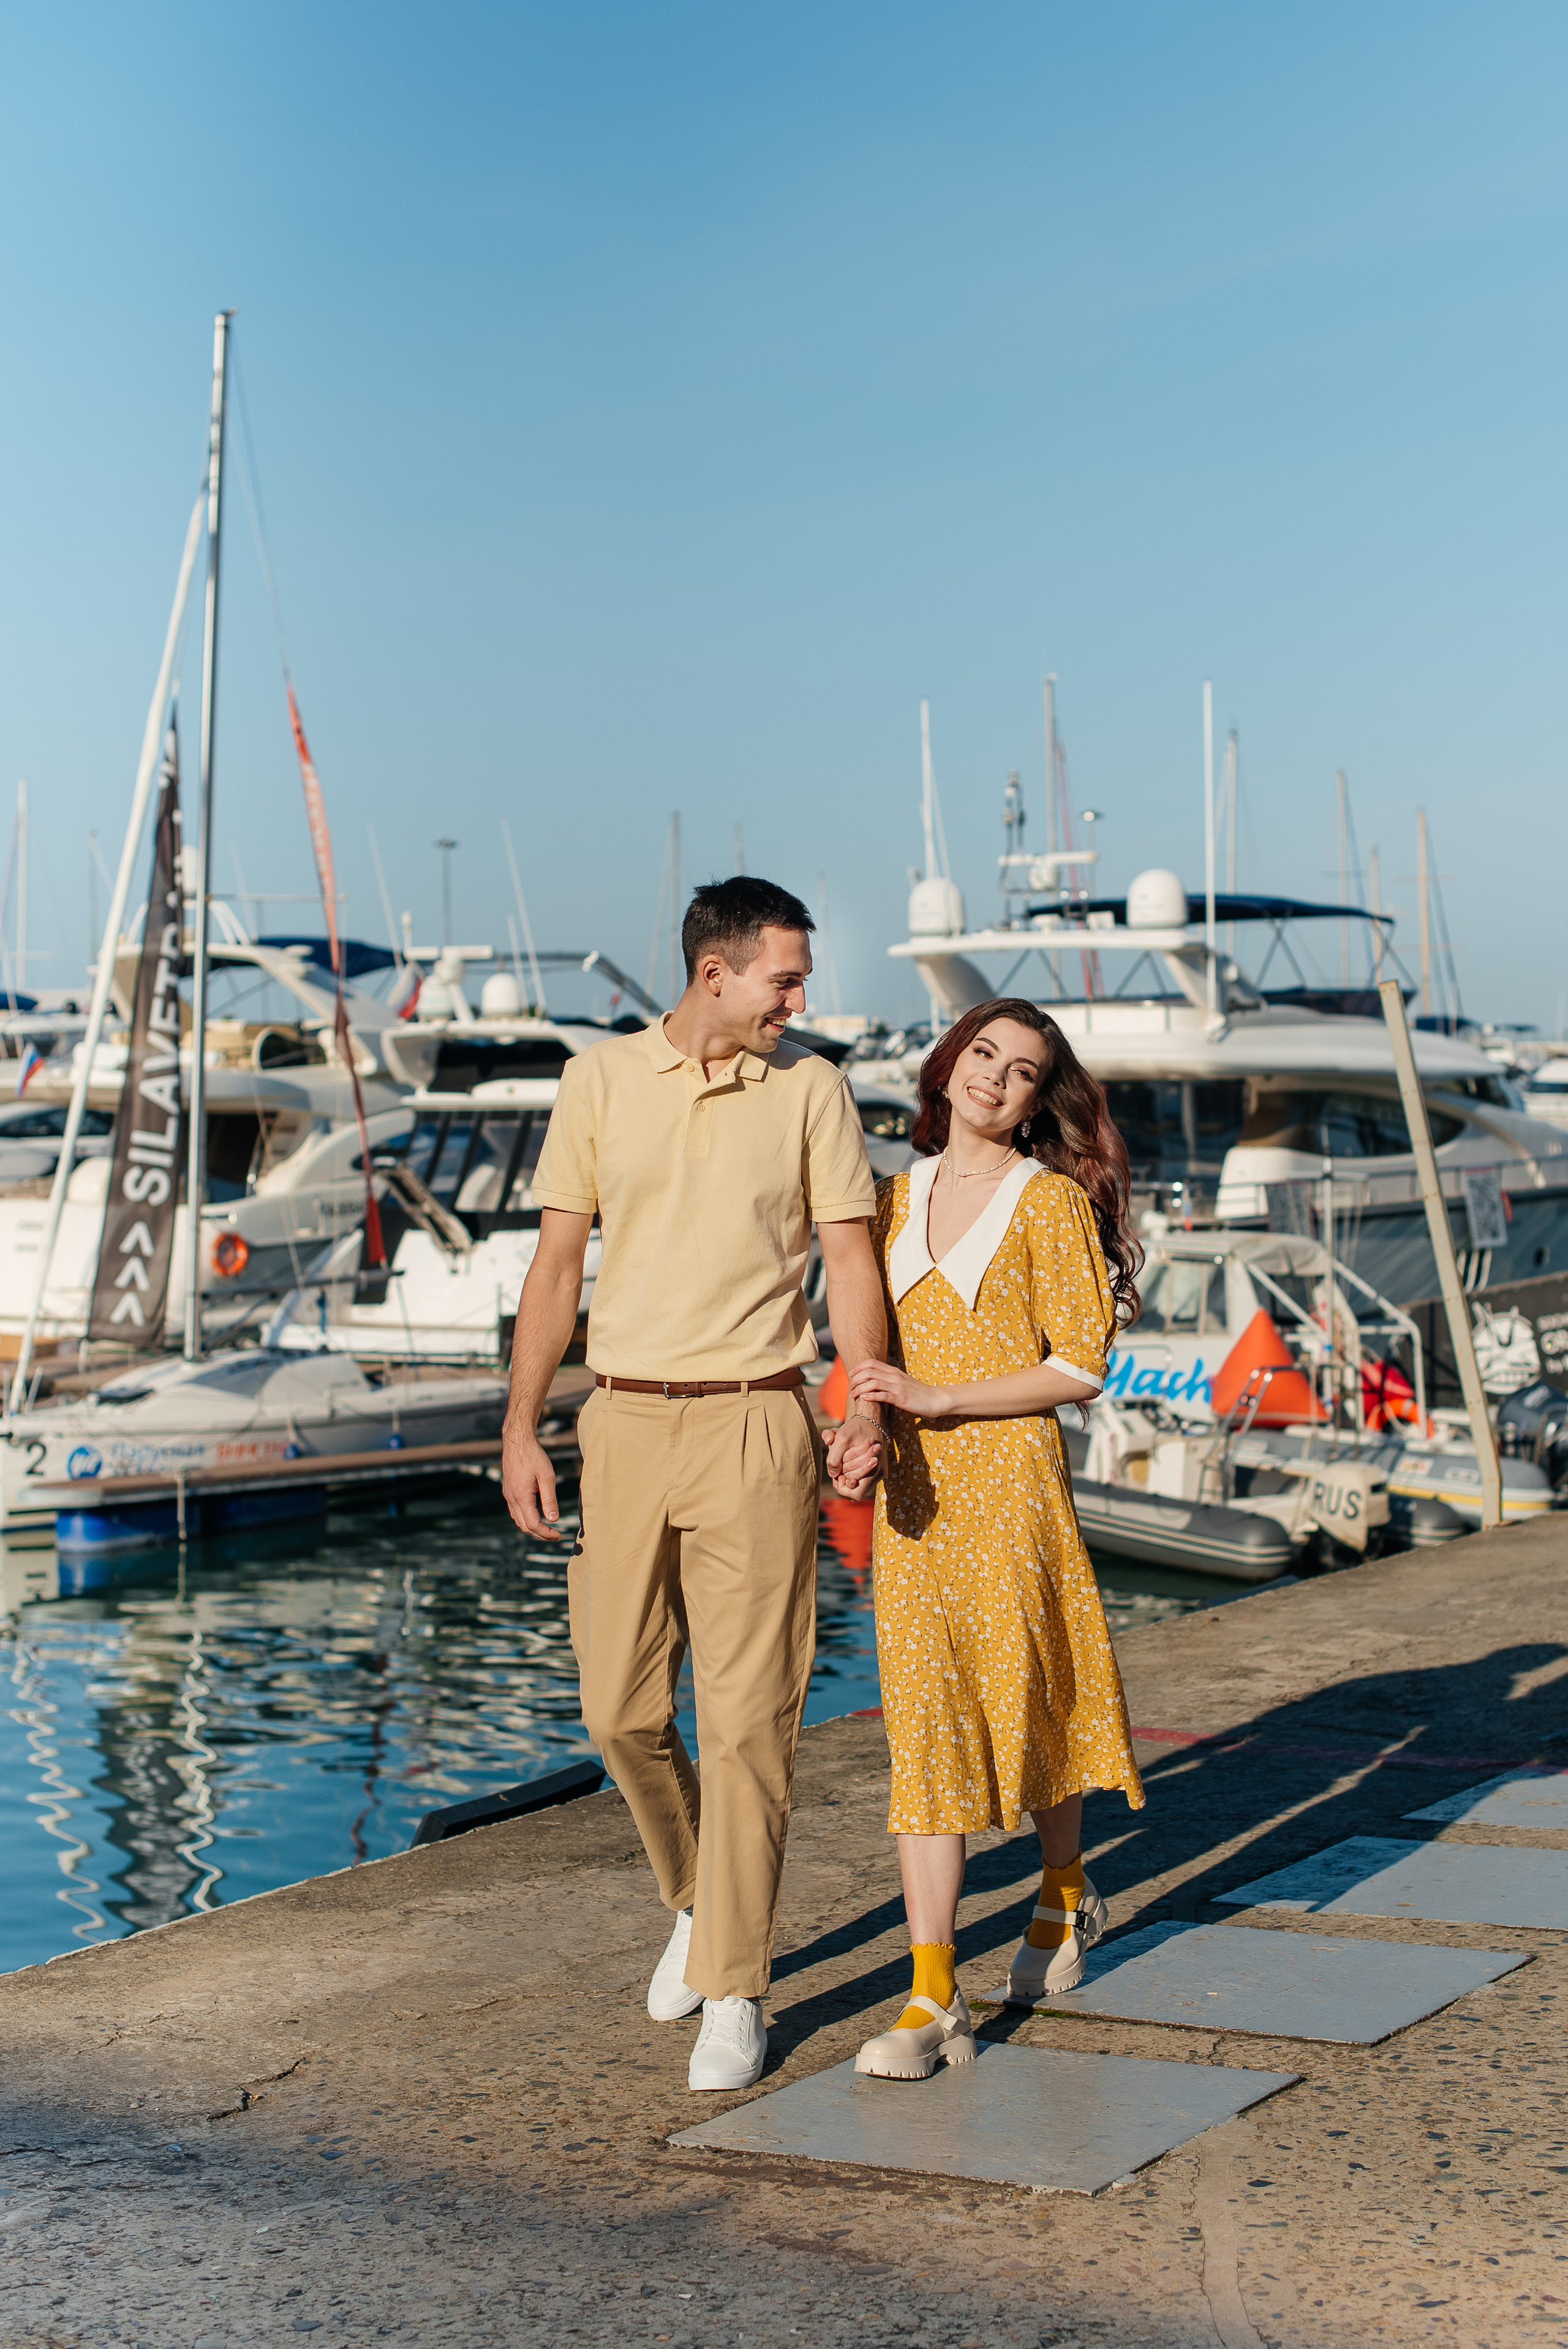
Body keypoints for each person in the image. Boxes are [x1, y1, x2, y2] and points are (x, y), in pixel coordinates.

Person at [500, 877, 887, 2092]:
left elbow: (847, 1259)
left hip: (759, 1424)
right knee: (615, 1708)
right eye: (784, 977)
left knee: (747, 1723)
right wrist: (522, 1424)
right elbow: (559, 1264)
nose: (799, 998)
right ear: (713, 972)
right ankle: (693, 1898)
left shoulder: (811, 1090)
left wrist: (862, 1398)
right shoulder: (598, 1082)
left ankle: (736, 1983)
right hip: (620, 1424)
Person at [846, 997, 1145, 2081]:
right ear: (946, 1066)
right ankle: (934, 1993)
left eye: (1022, 1071)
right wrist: (862, 1421)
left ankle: (1063, 1893)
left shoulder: (1050, 1205)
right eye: (984, 1055)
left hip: (1012, 1487)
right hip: (915, 1502)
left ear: (1036, 1099)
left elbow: (1080, 1365)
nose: (996, 1079)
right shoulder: (885, 1197)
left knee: (1031, 1698)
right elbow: (856, 1339)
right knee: (925, 1727)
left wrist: (942, 1395)